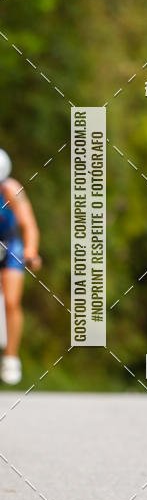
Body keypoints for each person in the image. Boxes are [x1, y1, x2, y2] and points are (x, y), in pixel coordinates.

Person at [0, 150, 42, 385]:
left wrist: (31, 252)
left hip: (11, 242)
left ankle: (11, 356)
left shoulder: (12, 190)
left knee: (12, 301)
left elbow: (29, 225)